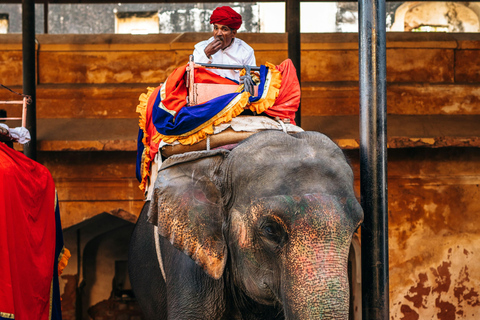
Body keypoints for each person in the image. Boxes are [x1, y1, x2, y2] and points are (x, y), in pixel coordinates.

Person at [193, 6, 256, 82]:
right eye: (216, 28)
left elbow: (253, 80)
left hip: (236, 93)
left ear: (233, 33)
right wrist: (206, 54)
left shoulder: (246, 51)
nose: (218, 33)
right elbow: (191, 75)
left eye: (224, 29)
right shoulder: (200, 48)